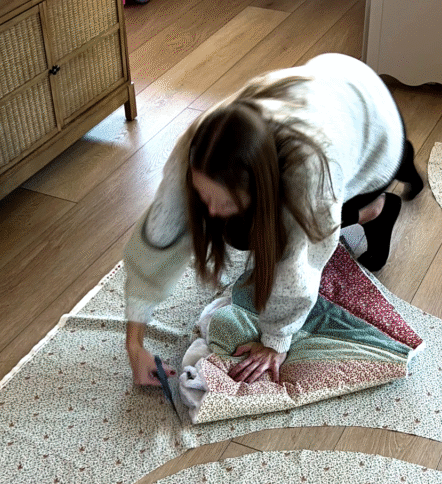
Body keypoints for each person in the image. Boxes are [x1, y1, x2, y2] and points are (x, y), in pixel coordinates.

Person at [124, 52, 423, 388]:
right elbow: (159, 236)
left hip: (377, 130)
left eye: (223, 202)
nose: (209, 212)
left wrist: (275, 342)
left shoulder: (311, 167)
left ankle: (375, 209)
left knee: (276, 232)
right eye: (205, 196)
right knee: (238, 230)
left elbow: (301, 262)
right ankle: (390, 177)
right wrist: (134, 345)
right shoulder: (204, 141)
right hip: (331, 80)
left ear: (262, 188)